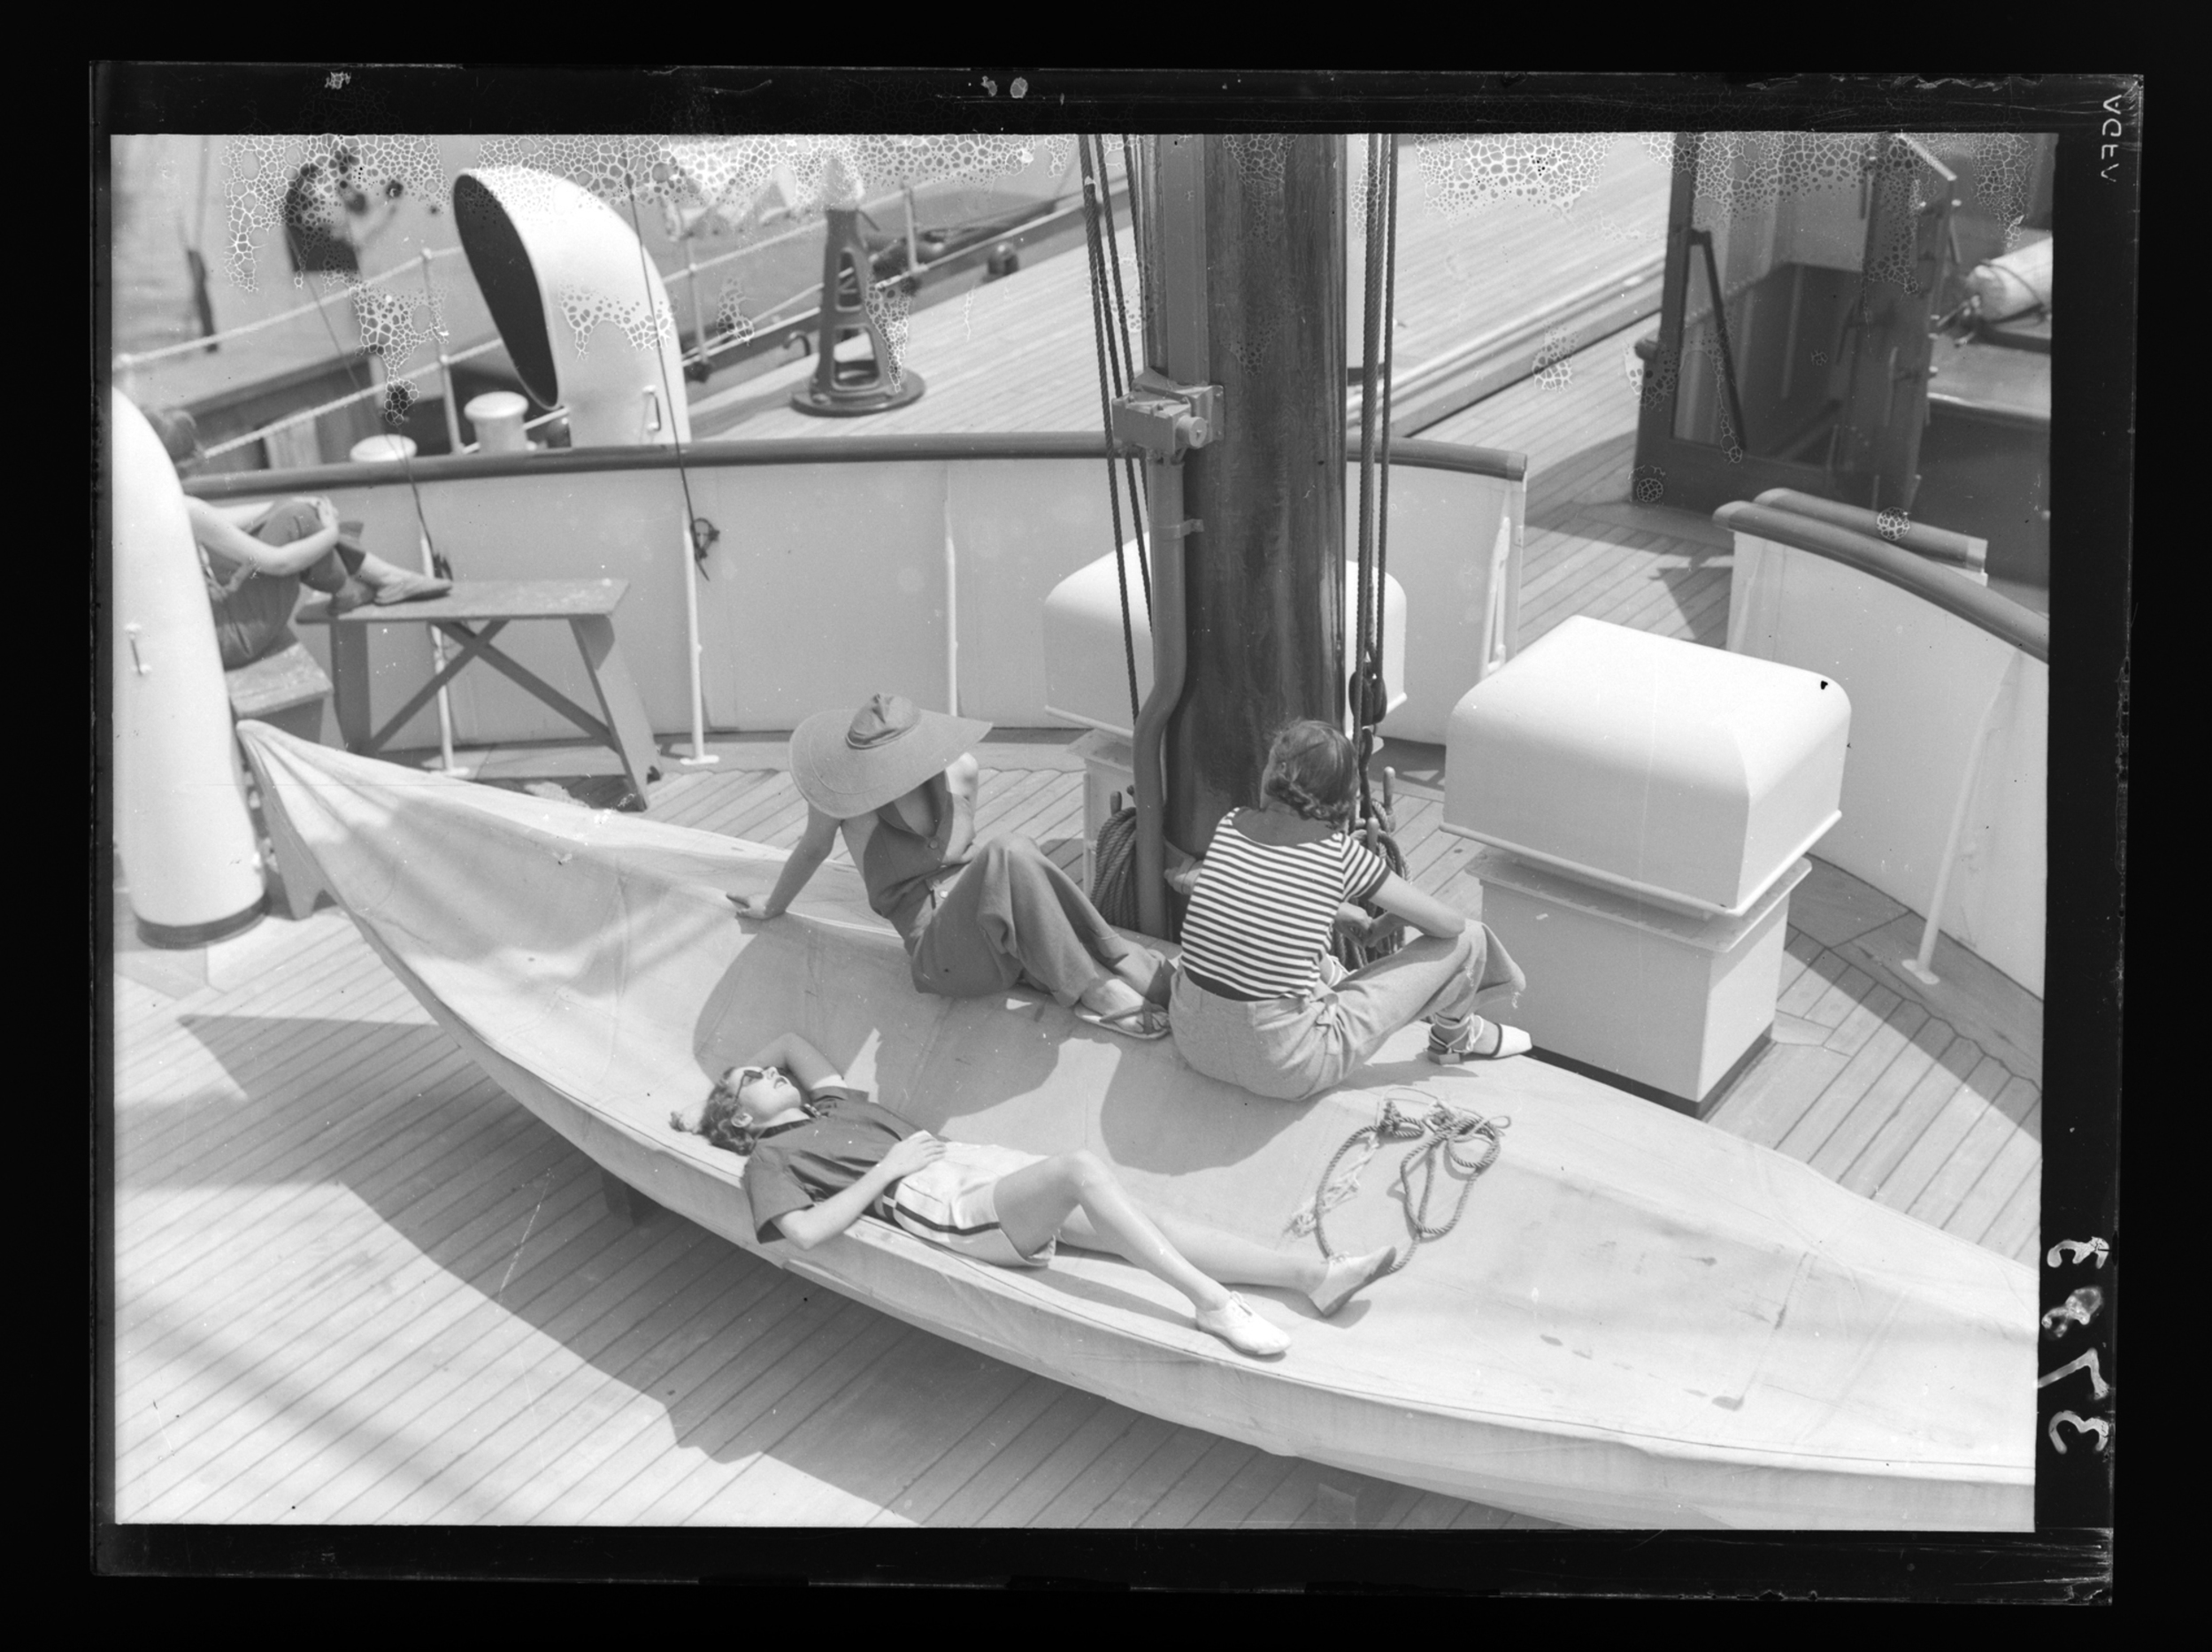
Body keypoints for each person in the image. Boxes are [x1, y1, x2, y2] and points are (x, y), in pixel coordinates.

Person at [670, 1032, 1397, 1359]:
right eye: (750, 1081)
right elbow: (801, 1233)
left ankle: (1312, 1278)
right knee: (1081, 1169)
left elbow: (792, 1041)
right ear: (742, 1119)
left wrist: (711, 1102)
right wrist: (885, 1169)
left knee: (1147, 1219)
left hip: (969, 1168)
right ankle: (1212, 1306)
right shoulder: (769, 1155)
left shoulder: (827, 1109)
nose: (767, 1072)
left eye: (756, 1071)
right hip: (939, 1204)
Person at [729, 693, 1180, 1040]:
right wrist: (772, 905)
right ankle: (1098, 987)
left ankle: (1121, 964)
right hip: (942, 956)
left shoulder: (961, 769)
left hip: (994, 927)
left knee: (1013, 852)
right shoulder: (849, 802)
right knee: (1009, 849)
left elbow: (970, 866)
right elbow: (813, 848)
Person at [1169, 719, 1532, 1103]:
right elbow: (1449, 925)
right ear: (1343, 796)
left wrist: (1334, 911)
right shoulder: (1338, 854)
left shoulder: (1231, 824)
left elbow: (1258, 898)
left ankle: (1329, 984)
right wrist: (1392, 918)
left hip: (1194, 1040)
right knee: (1471, 939)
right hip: (1285, 1066)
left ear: (1269, 773)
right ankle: (1453, 1035)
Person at [146, 405, 448, 672]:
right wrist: (328, 533)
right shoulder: (186, 510)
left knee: (294, 513)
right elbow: (279, 564)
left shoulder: (149, 503)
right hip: (231, 639)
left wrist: (284, 503)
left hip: (206, 636)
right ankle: (372, 581)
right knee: (297, 518)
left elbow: (222, 521)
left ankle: (364, 584)